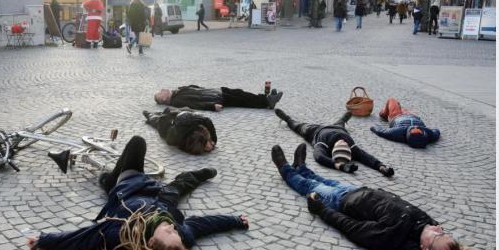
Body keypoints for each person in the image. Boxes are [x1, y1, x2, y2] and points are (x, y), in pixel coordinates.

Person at [27, 136, 249, 250]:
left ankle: (108, 181)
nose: (173, 228)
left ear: (151, 242)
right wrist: (236, 221)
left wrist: (44, 240)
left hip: (130, 185)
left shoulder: (121, 233)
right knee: (181, 185)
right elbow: (205, 224)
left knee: (137, 143)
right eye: (176, 233)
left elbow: (83, 238)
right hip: (161, 197)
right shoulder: (182, 235)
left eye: (169, 232)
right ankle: (199, 175)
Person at [270, 144, 470, 250]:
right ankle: (302, 167)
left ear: (425, 249)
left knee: (309, 186)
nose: (437, 228)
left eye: (437, 235)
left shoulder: (393, 239)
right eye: (443, 231)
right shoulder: (426, 226)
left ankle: (285, 169)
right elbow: (439, 248)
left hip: (340, 202)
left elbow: (352, 228)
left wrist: (321, 210)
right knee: (323, 179)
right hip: (358, 191)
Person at [274, 109, 394, 176]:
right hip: (339, 127)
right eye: (345, 145)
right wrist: (381, 167)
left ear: (334, 149)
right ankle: (344, 118)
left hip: (313, 130)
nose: (343, 142)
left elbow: (319, 157)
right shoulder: (352, 147)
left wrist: (339, 165)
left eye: (341, 145)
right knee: (341, 122)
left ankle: (287, 118)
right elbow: (366, 157)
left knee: (296, 125)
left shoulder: (323, 145)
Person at [371, 98, 440, 148]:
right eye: (419, 128)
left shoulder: (397, 132)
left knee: (391, 100)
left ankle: (384, 114)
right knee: (400, 107)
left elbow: (382, 131)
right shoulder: (429, 134)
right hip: (412, 116)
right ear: (423, 133)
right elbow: (437, 131)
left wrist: (373, 126)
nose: (415, 127)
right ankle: (398, 107)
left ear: (408, 134)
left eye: (413, 129)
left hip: (397, 116)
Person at [154, 85, 283, 112]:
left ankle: (265, 98)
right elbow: (195, 105)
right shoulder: (177, 101)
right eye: (160, 93)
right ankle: (267, 103)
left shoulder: (178, 91)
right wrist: (211, 106)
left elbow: (196, 88)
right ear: (164, 99)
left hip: (215, 91)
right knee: (242, 100)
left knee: (240, 92)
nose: (162, 89)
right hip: (216, 98)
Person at [143, 108, 216, 154]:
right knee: (163, 115)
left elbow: (169, 140)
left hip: (166, 125)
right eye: (208, 142)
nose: (209, 147)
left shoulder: (178, 137)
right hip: (177, 115)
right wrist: (214, 140)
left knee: (154, 120)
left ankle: (148, 114)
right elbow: (207, 120)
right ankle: (156, 113)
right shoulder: (196, 124)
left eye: (205, 148)